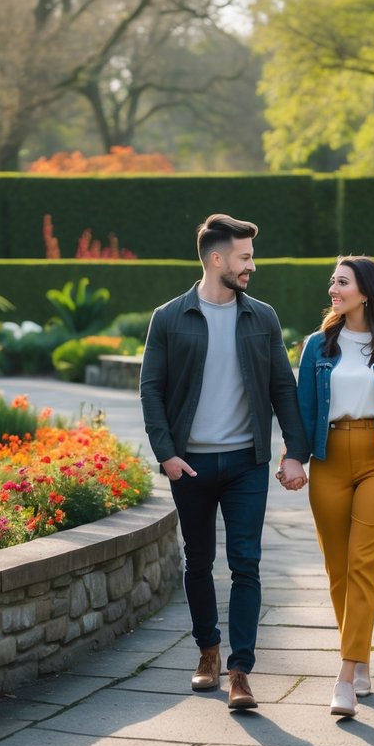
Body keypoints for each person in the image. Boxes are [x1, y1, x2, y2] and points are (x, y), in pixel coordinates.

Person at [140, 213, 309, 710]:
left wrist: (295, 451)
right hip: (189, 465)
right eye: (245, 257)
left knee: (246, 564)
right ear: (218, 259)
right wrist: (167, 455)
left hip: (245, 464)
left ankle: (240, 671)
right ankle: (207, 653)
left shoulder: (262, 316)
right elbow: (151, 391)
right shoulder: (169, 317)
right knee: (198, 561)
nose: (252, 266)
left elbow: (283, 387)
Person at [293, 255, 374, 718]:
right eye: (332, 280)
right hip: (329, 459)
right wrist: (294, 458)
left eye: (342, 281)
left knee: (363, 563)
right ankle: (362, 656)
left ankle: (345, 676)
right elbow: (303, 409)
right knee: (338, 569)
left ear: (365, 291)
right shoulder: (317, 346)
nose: (334, 288)